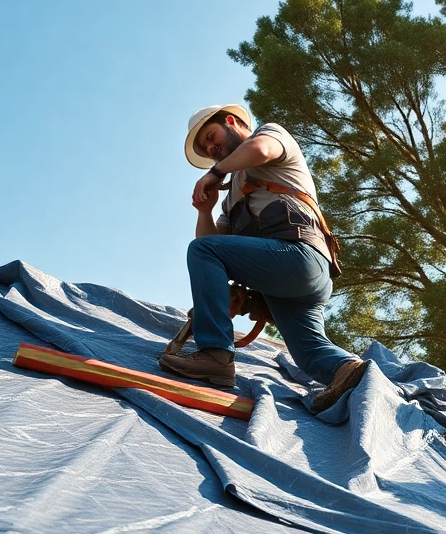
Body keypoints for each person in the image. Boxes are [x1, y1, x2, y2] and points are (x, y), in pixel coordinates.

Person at [157, 103, 367, 412]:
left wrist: (215, 173)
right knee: (308, 353)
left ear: (231, 122)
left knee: (202, 252)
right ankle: (348, 371)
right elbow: (214, 246)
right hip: (288, 283)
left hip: (299, 256)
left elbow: (262, 149)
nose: (211, 149)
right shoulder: (232, 198)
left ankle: (215, 355)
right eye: (205, 148)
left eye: (211, 137)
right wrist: (205, 210)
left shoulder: (269, 134)